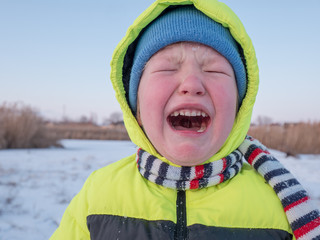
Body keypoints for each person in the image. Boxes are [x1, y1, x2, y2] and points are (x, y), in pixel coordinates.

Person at [50, 0, 320, 239]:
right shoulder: (98, 195)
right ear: (137, 110)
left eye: (213, 69)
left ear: (239, 107)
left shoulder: (283, 208)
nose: (191, 84)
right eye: (167, 68)